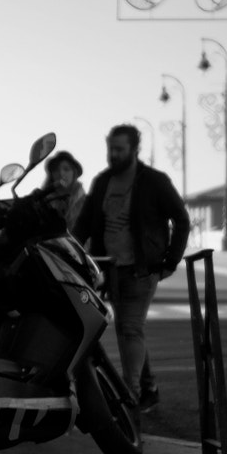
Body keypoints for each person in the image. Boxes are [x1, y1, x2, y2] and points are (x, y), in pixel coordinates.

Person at [72, 124, 190, 409]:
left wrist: (170, 261)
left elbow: (182, 220)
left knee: (130, 328)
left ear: (135, 150)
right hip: (109, 270)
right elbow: (84, 224)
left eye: (119, 149)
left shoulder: (154, 181)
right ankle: (149, 388)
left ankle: (131, 395)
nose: (113, 155)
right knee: (128, 329)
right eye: (110, 149)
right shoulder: (102, 182)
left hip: (141, 269)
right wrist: (72, 253)